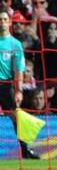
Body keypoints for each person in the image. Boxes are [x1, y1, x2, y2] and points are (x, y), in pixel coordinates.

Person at [0, 12, 38, 159]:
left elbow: (19, 69)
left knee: (16, 117)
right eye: (0, 19)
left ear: (8, 22)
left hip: (6, 85)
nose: (2, 22)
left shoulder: (15, 44)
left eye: (4, 19)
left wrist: (18, 90)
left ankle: (25, 149)